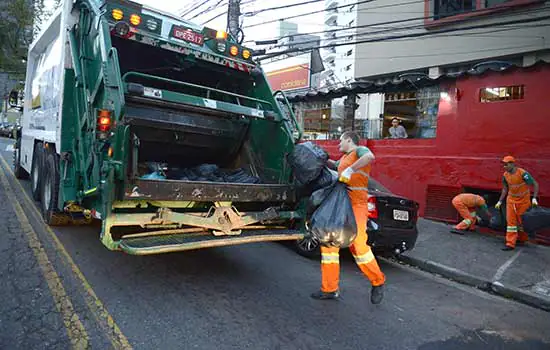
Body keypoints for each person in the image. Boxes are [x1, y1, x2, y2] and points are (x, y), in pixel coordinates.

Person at [311, 131, 386, 303]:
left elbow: (370, 157)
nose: (339, 145)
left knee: (358, 245)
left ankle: (378, 281)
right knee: (329, 242)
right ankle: (329, 288)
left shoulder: (360, 151)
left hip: (356, 205)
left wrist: (351, 170)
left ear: (349, 140)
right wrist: (319, 155)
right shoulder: (344, 159)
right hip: (341, 203)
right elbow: (333, 164)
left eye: (341, 141)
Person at [495, 156, 539, 251]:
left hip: (523, 201)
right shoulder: (505, 175)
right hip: (511, 200)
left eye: (506, 164)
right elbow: (505, 189)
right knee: (511, 222)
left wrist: (534, 198)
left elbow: (535, 184)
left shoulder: (522, 173)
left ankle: (522, 238)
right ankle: (510, 243)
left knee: (521, 222)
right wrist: (500, 201)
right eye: (504, 165)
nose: (504, 166)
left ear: (512, 164)